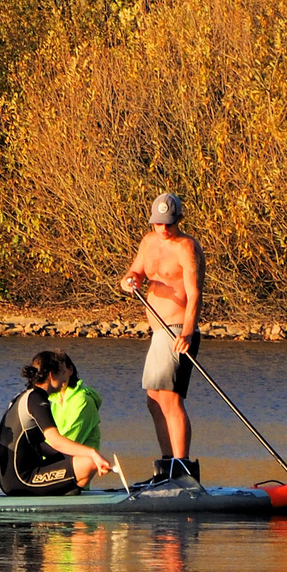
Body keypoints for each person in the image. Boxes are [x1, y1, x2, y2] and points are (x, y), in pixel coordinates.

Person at [120, 191, 203, 477]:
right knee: (153, 398)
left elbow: (194, 295)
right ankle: (167, 463)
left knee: (169, 397)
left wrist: (189, 334)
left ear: (178, 219)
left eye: (169, 223)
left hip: (178, 330)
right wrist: (129, 280)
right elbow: (136, 272)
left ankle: (182, 468)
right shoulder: (148, 242)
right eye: (159, 223)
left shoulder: (187, 247)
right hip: (157, 332)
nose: (164, 229)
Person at [0, 350, 114, 496]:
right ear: (52, 375)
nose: (66, 377)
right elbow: (56, 441)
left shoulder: (26, 395)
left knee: (82, 460)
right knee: (88, 463)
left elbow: (40, 445)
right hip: (21, 479)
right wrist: (94, 454)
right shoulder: (37, 399)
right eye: (63, 372)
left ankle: (67, 496)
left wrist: (68, 459)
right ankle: (68, 505)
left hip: (15, 476)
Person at [48, 354, 103, 450]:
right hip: (59, 458)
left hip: (81, 462)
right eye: (56, 372)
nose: (60, 376)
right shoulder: (55, 399)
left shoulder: (83, 401)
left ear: (70, 371)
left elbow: (70, 442)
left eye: (63, 372)